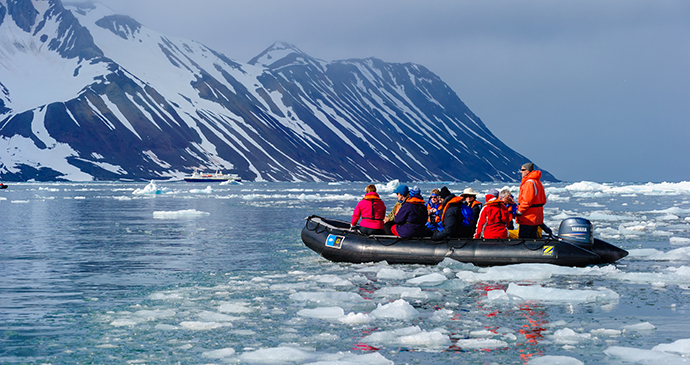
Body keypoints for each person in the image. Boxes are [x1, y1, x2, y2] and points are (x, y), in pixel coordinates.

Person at [517, 162, 547, 238]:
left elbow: (527, 201)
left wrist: (519, 211)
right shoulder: (538, 182)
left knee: (524, 238)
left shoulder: (529, 183)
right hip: (537, 217)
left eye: (523, 170)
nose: (521, 172)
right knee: (533, 238)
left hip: (528, 217)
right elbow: (544, 200)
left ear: (527, 171)